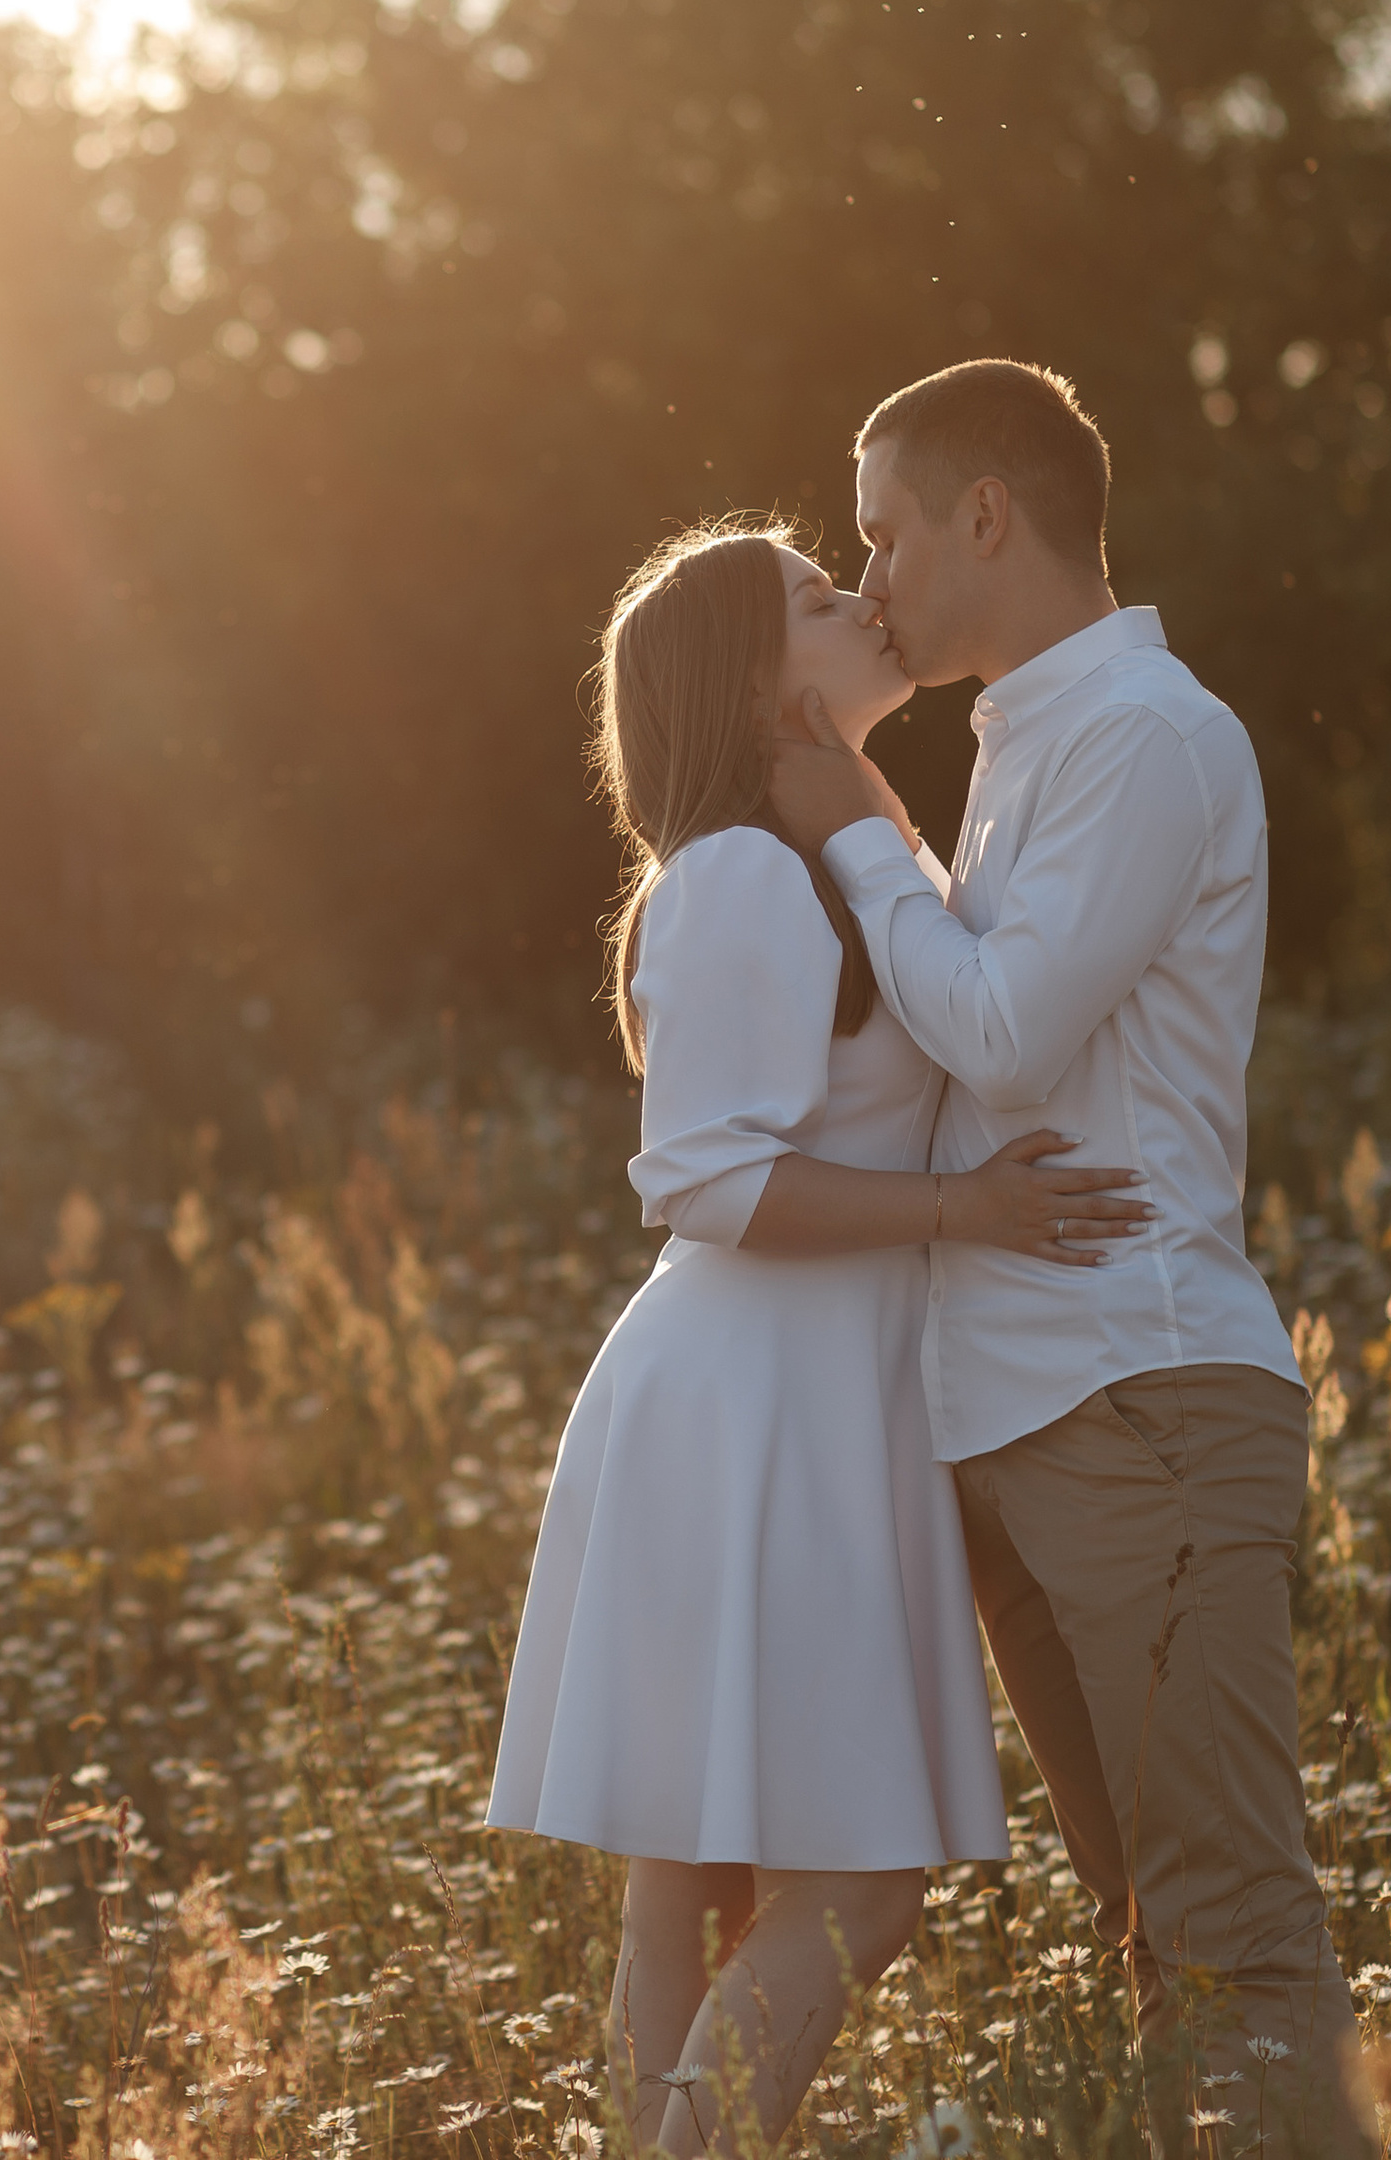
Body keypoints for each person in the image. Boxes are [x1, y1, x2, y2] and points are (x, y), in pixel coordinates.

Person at [486, 519, 1155, 2157]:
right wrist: (966, 1211)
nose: (856, 596)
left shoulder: (839, 845)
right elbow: (705, 1179)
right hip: (753, 1407)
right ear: (754, 680)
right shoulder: (735, 875)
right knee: (852, 1884)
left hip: (816, 1394)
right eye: (810, 594)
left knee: (698, 1874)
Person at [767, 358, 1366, 2160]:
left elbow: (1008, 1032)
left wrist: (858, 832)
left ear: (987, 515)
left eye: (882, 533)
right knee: (1154, 1942)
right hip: (1024, 1415)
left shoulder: (1147, 737)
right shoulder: (1028, 740)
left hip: (1143, 1395)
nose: (867, 578)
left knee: (1230, 1936)